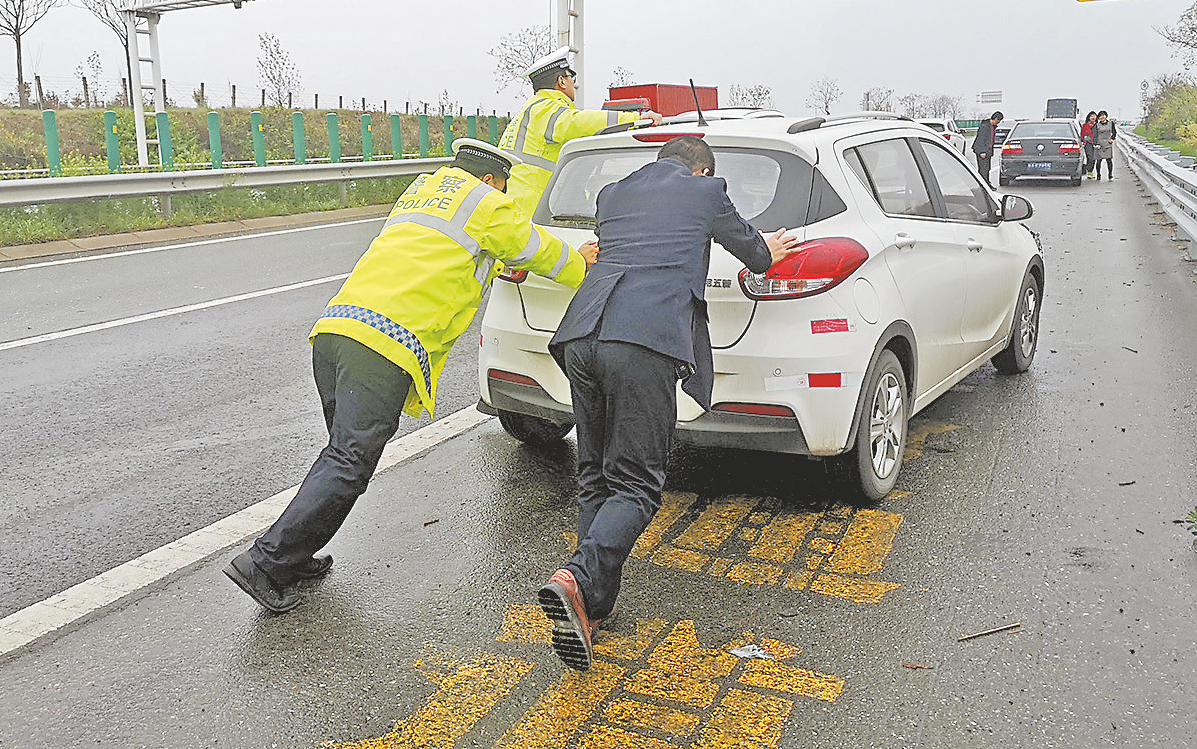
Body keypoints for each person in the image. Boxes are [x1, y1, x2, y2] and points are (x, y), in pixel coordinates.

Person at [224, 139, 596, 613]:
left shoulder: (424, 192)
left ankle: (294, 555)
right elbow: (536, 247)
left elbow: (445, 254)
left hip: (336, 332)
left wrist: (500, 263)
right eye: (505, 188)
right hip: (382, 347)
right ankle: (266, 563)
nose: (506, 198)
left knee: (339, 457)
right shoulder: (487, 203)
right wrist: (580, 262)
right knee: (348, 462)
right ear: (489, 180)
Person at [536, 136, 798, 671]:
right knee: (637, 484)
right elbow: (758, 255)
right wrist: (773, 245)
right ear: (703, 173)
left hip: (583, 334)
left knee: (596, 474)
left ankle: (591, 608)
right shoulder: (707, 193)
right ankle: (577, 578)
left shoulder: (612, 194)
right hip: (644, 341)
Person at [498, 47, 664, 218]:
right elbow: (579, 122)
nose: (574, 83)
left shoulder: (531, 109)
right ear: (561, 81)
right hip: (531, 210)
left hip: (522, 207)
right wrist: (635, 118)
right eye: (572, 77)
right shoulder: (545, 109)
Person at [972, 110, 1005, 183]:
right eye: (998, 120)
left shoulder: (993, 127)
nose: (998, 122)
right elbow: (981, 139)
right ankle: (983, 184)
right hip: (982, 150)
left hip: (988, 150)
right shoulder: (984, 126)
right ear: (995, 118)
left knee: (987, 168)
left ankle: (986, 183)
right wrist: (982, 151)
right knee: (983, 169)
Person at [1093, 110, 1116, 180]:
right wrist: (1096, 144)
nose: (1102, 117)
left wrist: (1112, 138)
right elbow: (1094, 135)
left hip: (1108, 144)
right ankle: (1098, 174)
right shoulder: (1096, 125)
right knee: (1099, 161)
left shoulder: (1111, 123)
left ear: (1106, 116)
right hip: (1099, 144)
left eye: (1103, 115)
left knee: (1109, 160)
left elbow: (1114, 132)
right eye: (1100, 116)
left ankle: (1110, 174)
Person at [1081, 111, 1098, 179]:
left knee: (1094, 158)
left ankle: (1090, 172)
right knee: (1090, 157)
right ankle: (1087, 170)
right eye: (1091, 116)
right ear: (1089, 117)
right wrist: (1083, 140)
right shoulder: (1085, 125)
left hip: (1095, 143)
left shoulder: (1097, 125)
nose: (1093, 117)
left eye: (1094, 116)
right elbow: (1082, 134)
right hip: (1087, 144)